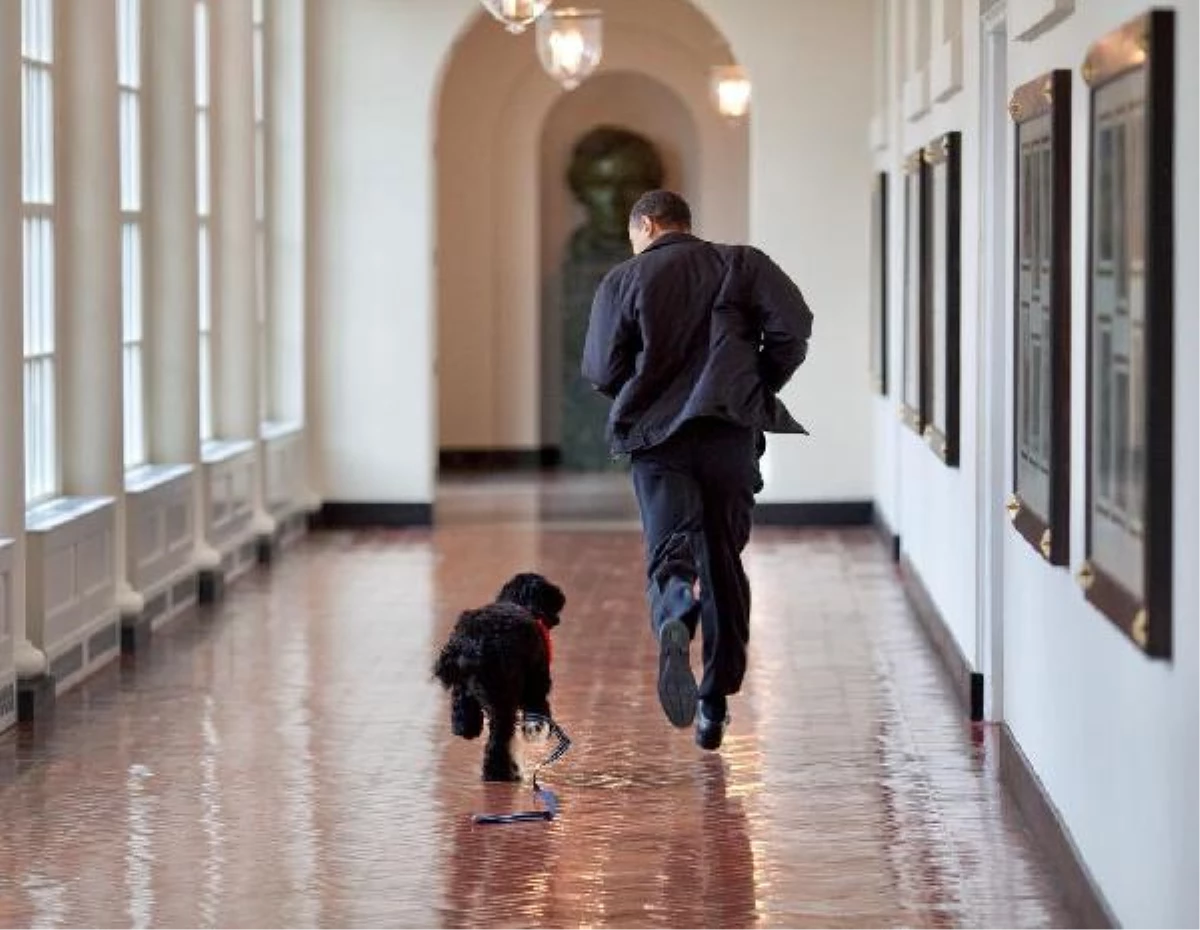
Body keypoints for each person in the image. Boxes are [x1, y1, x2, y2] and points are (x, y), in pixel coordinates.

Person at [581, 190, 813, 750]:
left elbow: (600, 367)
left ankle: (675, 613)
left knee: (670, 549)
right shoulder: (742, 263)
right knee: (722, 559)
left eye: (633, 234)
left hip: (659, 440)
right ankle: (713, 702)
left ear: (648, 224)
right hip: (728, 433)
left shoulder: (624, 280)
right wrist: (751, 383)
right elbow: (793, 327)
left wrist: (642, 390)